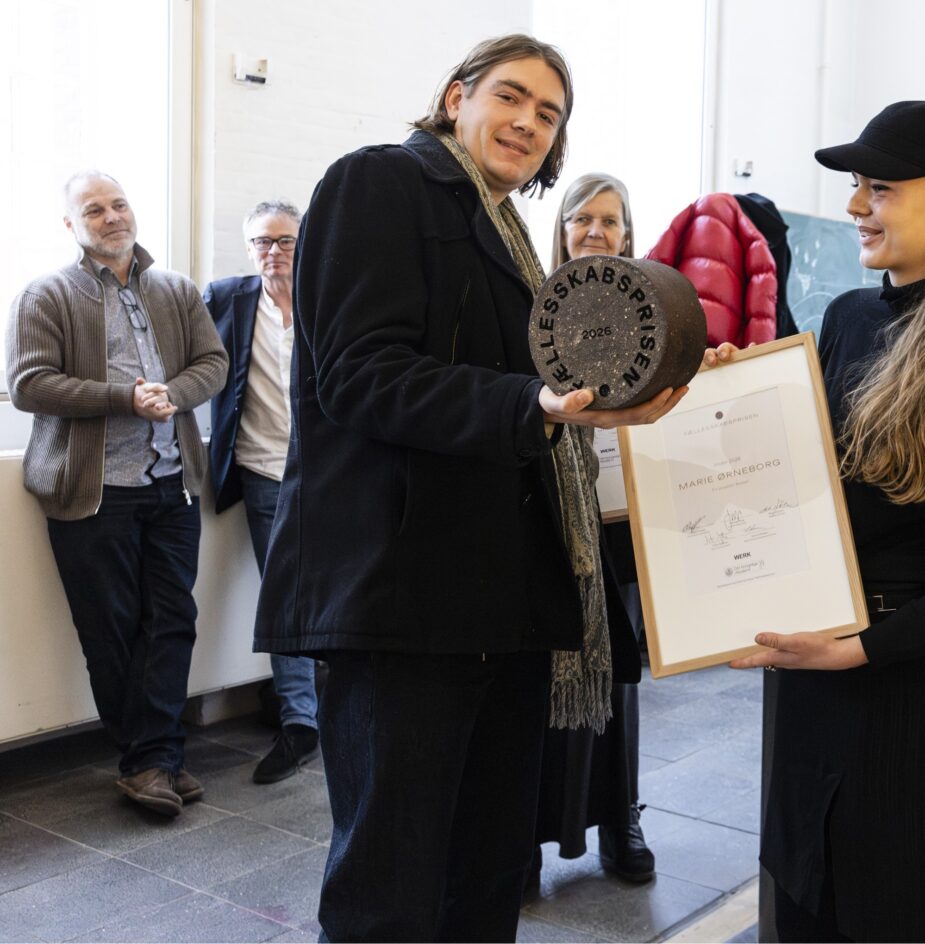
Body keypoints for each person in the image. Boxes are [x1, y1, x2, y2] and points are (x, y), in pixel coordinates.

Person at [251, 35, 686, 942]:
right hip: (403, 603)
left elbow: (541, 389)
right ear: (456, 97)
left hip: (501, 608)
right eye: (511, 96)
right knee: (390, 891)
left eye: (549, 113)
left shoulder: (509, 234)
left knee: (484, 881)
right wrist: (534, 404)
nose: (529, 122)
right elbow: (360, 376)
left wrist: (644, 385)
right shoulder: (381, 182)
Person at [715, 101, 925, 942]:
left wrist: (857, 649)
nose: (856, 206)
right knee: (802, 901)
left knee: (897, 913)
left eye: (882, 188)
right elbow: (807, 480)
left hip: (909, 691)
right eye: (858, 185)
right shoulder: (849, 319)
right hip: (813, 674)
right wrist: (734, 398)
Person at [5, 171, 228, 817]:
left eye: (119, 204)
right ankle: (153, 759)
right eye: (94, 210)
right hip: (92, 489)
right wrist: (124, 399)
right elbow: (29, 385)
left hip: (171, 483)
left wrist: (172, 395)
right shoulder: (46, 294)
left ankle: (152, 760)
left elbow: (212, 364)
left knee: (172, 622)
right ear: (71, 225)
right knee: (111, 629)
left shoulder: (176, 290)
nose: (111, 217)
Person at [529, 172, 656, 887]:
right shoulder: (534, 306)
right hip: (550, 519)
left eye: (610, 220)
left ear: (628, 233)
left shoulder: (652, 309)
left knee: (619, 679)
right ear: (563, 228)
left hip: (619, 522)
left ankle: (619, 818)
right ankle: (522, 832)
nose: (596, 232)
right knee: (534, 680)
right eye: (583, 219)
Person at [203, 200, 320, 785]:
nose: (272, 252)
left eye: (285, 240)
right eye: (261, 242)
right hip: (262, 471)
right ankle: (300, 720)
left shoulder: (329, 297)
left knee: (336, 589)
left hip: (331, 472)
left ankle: (331, 704)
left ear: (305, 241)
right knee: (283, 595)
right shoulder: (225, 298)